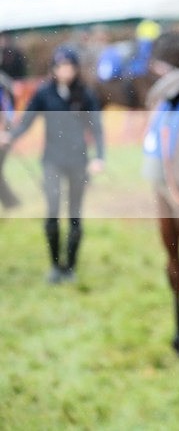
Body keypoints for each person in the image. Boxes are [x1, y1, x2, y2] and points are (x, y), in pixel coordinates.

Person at [0, 46, 105, 284]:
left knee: (75, 215)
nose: (65, 71)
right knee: (52, 213)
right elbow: (26, 121)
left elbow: (97, 128)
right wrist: (10, 136)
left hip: (79, 162)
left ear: (76, 69)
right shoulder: (43, 93)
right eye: (61, 67)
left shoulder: (85, 94)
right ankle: (55, 266)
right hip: (52, 162)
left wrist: (99, 157)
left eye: (69, 67)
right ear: (54, 69)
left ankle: (71, 267)